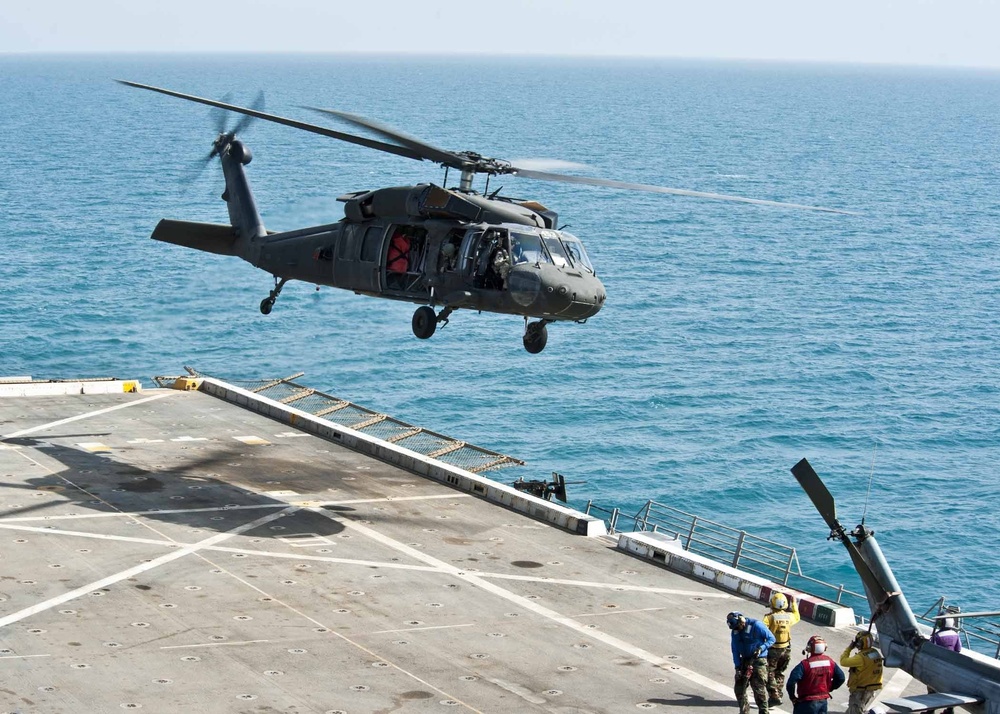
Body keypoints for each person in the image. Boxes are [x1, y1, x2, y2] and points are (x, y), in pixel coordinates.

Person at [728, 611, 776, 714]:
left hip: (758, 660)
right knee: (739, 688)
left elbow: (772, 639)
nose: (737, 630)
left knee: (758, 690)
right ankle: (744, 711)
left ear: (741, 621)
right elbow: (735, 650)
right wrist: (737, 667)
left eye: (737, 627)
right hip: (744, 660)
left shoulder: (756, 625)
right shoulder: (735, 632)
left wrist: (761, 648)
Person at [786, 635, 845, 714]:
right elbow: (841, 678)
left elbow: (791, 682)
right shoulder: (830, 662)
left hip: (806, 703)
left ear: (809, 648)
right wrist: (829, 688)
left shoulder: (804, 664)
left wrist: (792, 697)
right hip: (823, 702)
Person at [763, 591, 800, 707]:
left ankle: (774, 696)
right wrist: (794, 603)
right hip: (786, 649)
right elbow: (797, 616)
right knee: (779, 672)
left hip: (774, 649)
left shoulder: (769, 617)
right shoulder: (789, 617)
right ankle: (778, 694)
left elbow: (762, 630)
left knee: (769, 673)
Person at [840, 631, 884, 714]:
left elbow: (843, 661)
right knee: (855, 709)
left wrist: (849, 648)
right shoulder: (875, 652)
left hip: (860, 690)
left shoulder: (860, 658)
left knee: (855, 710)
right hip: (871, 688)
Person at [927, 617, 962, 714]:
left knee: (932, 688)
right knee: (950, 690)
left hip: (938, 667)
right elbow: (958, 649)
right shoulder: (955, 635)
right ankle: (950, 710)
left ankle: (930, 711)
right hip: (952, 667)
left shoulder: (937, 636)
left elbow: (931, 649)